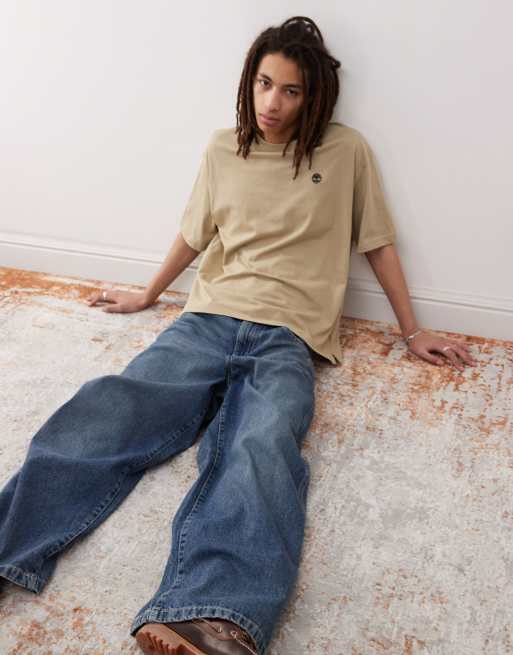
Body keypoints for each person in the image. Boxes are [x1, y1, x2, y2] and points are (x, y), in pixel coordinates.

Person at [0, 15, 477, 655]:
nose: (272, 103)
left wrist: (412, 329)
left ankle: (211, 615)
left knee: (262, 446)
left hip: (289, 334)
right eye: (263, 84)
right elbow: (196, 232)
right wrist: (149, 293)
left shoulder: (346, 152)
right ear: (248, 83)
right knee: (109, 409)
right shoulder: (224, 148)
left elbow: (377, 242)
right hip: (208, 318)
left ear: (314, 98)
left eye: (291, 91)